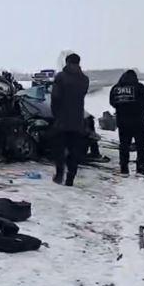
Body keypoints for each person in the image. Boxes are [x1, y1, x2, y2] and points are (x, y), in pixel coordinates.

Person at [50, 53, 89, 186]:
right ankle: (70, 178)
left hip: (61, 120)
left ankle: (59, 175)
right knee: (74, 151)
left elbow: (55, 97)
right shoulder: (84, 79)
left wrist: (56, 115)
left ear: (67, 62)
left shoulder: (61, 77)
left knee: (59, 149)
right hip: (77, 120)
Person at [109, 69, 144, 176]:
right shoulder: (139, 87)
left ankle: (124, 169)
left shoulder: (116, 88)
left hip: (122, 121)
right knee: (141, 145)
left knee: (124, 145)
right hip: (139, 121)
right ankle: (140, 169)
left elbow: (112, 102)